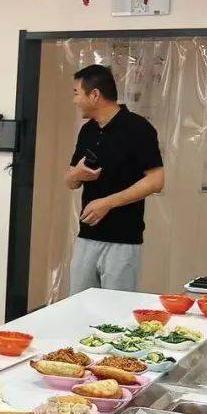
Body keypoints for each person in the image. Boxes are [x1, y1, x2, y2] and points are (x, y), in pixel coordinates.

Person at [66, 64, 164, 294]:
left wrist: (107, 203)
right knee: (78, 308)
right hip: (87, 237)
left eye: (76, 93)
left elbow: (156, 180)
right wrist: (76, 175)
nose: (74, 100)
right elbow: (70, 181)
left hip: (123, 240)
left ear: (95, 94)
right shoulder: (87, 131)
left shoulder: (138, 128)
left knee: (114, 314)